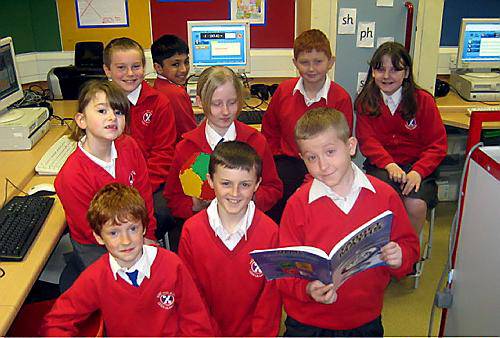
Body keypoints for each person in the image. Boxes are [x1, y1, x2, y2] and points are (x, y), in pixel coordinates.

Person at [278, 107, 419, 336]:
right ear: (302, 159)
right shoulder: (298, 204)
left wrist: (400, 256)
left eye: (330, 152)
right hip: (308, 322)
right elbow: (285, 269)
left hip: (364, 320)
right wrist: (307, 289)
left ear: (351, 146)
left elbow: (410, 246)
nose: (323, 165)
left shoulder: (384, 196)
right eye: (312, 158)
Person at [41, 183, 214, 337]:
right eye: (114, 233)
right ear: (99, 237)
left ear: (144, 227)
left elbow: (197, 321)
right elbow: (57, 321)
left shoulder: (172, 265)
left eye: (132, 229)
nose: (126, 241)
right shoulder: (96, 277)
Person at [178, 141, 282, 336]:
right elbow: (191, 297)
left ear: (257, 184)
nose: (235, 193)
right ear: (210, 181)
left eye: (244, 185)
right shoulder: (192, 231)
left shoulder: (271, 233)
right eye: (226, 183)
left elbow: (270, 302)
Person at [55, 80, 157, 272]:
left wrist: (147, 235)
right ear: (81, 120)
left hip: (134, 233)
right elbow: (90, 230)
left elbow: (145, 196)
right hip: (96, 243)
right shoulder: (71, 176)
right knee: (123, 287)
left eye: (118, 112)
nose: (112, 117)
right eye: (102, 111)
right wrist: (132, 254)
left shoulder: (129, 146)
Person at [164, 66, 282, 222]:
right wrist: (195, 205)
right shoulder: (186, 147)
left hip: (247, 224)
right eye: (216, 104)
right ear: (199, 101)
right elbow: (173, 198)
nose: (226, 111)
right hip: (203, 227)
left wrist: (249, 198)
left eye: (232, 102)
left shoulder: (255, 141)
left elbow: (273, 188)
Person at [354, 41, 447, 234]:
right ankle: (381, 254)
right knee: (380, 202)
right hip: (383, 167)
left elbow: (437, 145)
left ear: (406, 73)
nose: (387, 76)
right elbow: (367, 140)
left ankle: (408, 254)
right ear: (372, 72)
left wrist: (418, 171)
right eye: (380, 69)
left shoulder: (423, 101)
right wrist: (389, 164)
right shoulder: (366, 101)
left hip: (418, 167)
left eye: (395, 70)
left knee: (415, 205)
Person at [261, 28, 353, 223]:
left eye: (318, 62)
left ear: (330, 62)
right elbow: (269, 132)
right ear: (295, 63)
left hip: (325, 164)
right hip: (289, 162)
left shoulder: (340, 98)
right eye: (304, 62)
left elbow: (342, 143)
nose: (311, 69)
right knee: (276, 198)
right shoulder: (284, 92)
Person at [104, 37, 177, 246]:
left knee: (156, 213)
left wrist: (133, 191)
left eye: (136, 66)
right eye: (121, 68)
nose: (130, 74)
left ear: (144, 68)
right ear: (107, 70)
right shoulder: (99, 105)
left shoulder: (159, 103)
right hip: (113, 188)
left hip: (151, 185)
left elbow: (164, 155)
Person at [151, 34, 197, 141]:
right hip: (183, 154)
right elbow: (190, 136)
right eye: (175, 64)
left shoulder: (158, 85)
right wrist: (204, 158)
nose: (183, 69)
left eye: (186, 62)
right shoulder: (175, 93)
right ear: (158, 67)